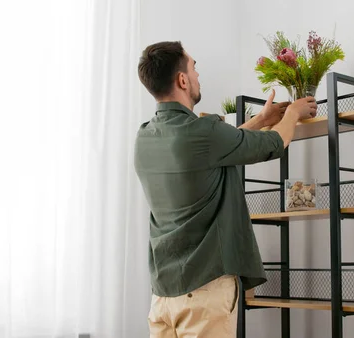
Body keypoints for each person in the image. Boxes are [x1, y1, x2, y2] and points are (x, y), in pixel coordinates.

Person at [134, 41, 317, 338]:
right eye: (193, 68)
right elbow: (274, 143)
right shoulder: (204, 132)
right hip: (204, 292)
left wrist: (261, 120)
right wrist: (293, 114)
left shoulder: (145, 136)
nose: (196, 75)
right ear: (182, 80)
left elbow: (218, 148)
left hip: (163, 298)